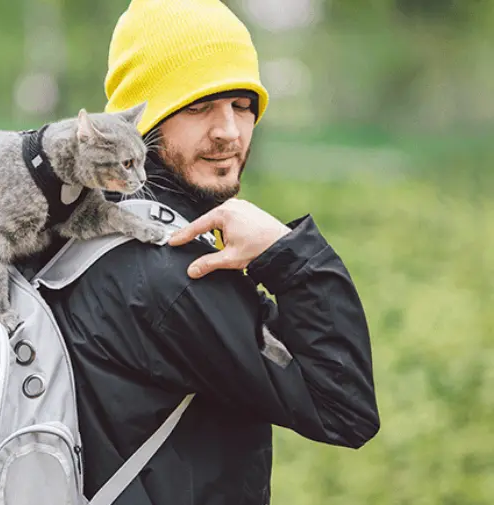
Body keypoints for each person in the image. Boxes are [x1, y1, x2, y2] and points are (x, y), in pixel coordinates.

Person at [36, 1, 381, 504]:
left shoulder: (79, 222)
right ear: (144, 120)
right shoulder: (171, 274)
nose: (229, 131)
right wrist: (286, 253)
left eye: (242, 105)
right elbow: (345, 406)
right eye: (198, 106)